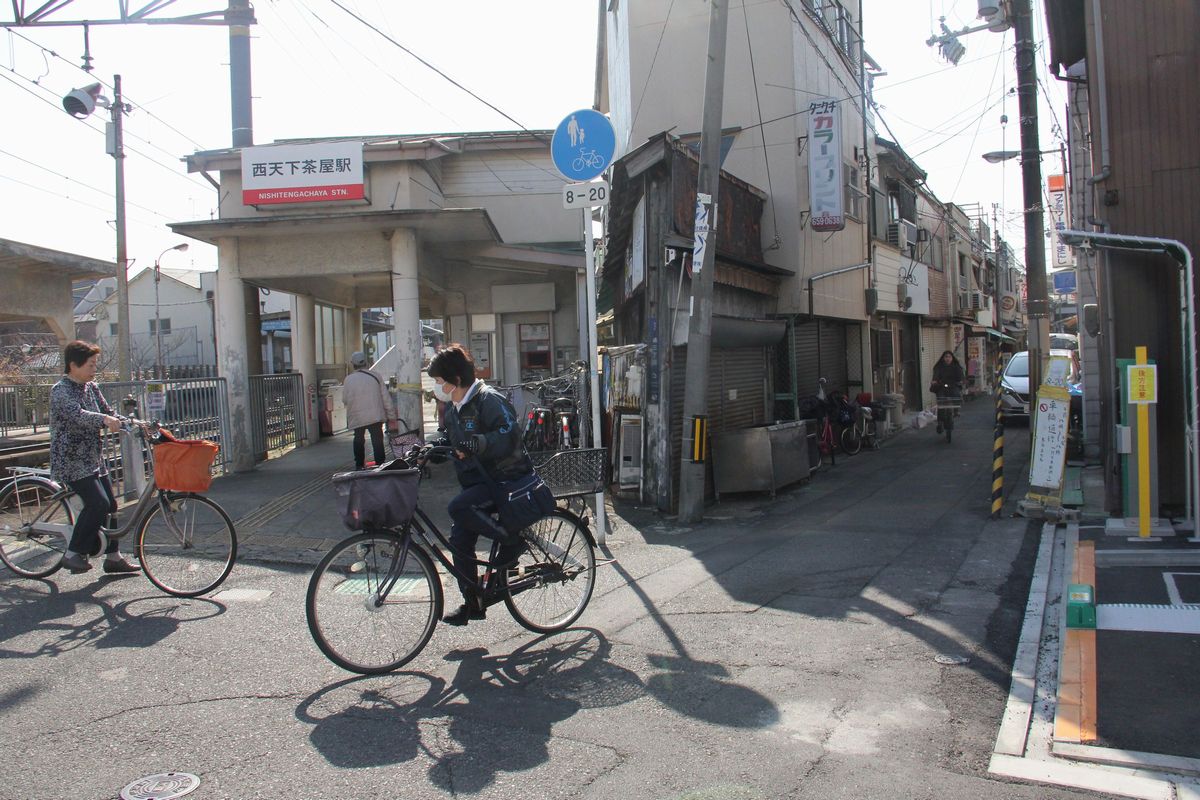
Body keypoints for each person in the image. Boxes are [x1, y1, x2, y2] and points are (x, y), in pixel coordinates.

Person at [427, 343, 534, 626]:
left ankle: (513, 540)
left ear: (456, 380)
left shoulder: (489, 400)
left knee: (459, 507)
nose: (438, 387)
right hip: (478, 482)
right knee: (459, 542)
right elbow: (452, 441)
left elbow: (509, 434)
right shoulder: (453, 410)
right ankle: (473, 602)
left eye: (440, 381)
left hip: (505, 479)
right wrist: (429, 451)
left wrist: (479, 443)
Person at [49, 341, 140, 575]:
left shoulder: (92, 387)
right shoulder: (60, 390)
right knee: (97, 503)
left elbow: (108, 412)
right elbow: (77, 415)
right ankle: (73, 553)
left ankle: (113, 557)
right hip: (71, 460)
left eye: (94, 364)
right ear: (73, 365)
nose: (93, 369)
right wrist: (104, 421)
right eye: (90, 365)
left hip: (93, 459)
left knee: (110, 505)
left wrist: (134, 422)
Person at [342, 351, 397, 470]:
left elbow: (345, 399)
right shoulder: (376, 376)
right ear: (366, 362)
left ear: (353, 364)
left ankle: (359, 464)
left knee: (358, 438)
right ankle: (380, 463)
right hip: (375, 415)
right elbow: (385, 397)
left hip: (357, 416)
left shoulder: (348, 380)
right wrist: (392, 415)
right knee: (377, 438)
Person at [930, 350, 965, 435]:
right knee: (941, 401)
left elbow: (961, 376)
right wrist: (934, 381)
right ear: (943, 358)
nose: (947, 358)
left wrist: (961, 381)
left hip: (953, 386)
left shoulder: (956, 367)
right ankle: (940, 422)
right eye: (946, 357)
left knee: (957, 394)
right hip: (941, 386)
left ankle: (956, 411)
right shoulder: (939, 367)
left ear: (952, 358)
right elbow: (935, 376)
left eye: (949, 357)